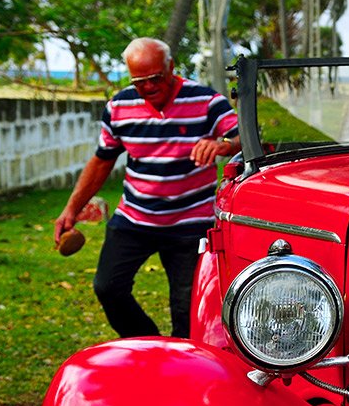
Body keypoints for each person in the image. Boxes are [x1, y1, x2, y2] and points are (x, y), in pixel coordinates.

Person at [53, 37, 240, 339]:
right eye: (141, 82)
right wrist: (71, 210)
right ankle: (148, 342)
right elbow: (102, 161)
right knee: (108, 287)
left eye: (156, 78)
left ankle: (185, 366)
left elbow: (242, 135)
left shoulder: (206, 101)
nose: (150, 87)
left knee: (187, 310)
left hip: (191, 223)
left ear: (171, 68)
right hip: (135, 218)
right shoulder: (118, 106)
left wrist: (224, 145)